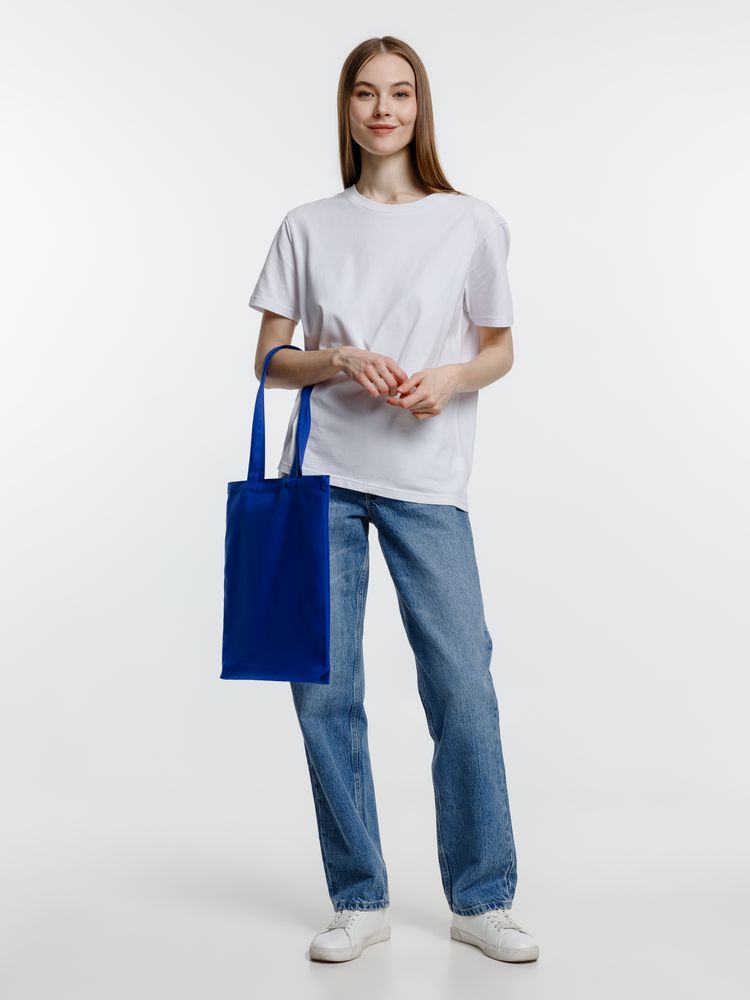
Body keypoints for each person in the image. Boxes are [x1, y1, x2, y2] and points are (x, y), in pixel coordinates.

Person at [247, 35, 540, 965]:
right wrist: (337, 358)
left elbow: (499, 348)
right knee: (324, 692)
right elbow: (268, 360)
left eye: (401, 93)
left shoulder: (472, 223)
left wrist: (450, 379)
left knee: (463, 686)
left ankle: (482, 899)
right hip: (321, 479)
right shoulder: (306, 225)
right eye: (367, 93)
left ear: (421, 107)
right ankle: (359, 896)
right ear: (347, 107)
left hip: (427, 481)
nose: (384, 110)